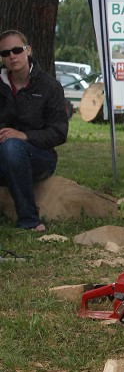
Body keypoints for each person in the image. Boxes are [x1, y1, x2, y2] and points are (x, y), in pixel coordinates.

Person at [0, 30, 68, 231]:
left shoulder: (50, 86)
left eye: (16, 50)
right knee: (9, 148)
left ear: (28, 50)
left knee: (12, 147)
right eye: (5, 53)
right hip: (4, 156)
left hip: (40, 158)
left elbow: (59, 132)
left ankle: (29, 221)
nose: (12, 56)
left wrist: (25, 136)